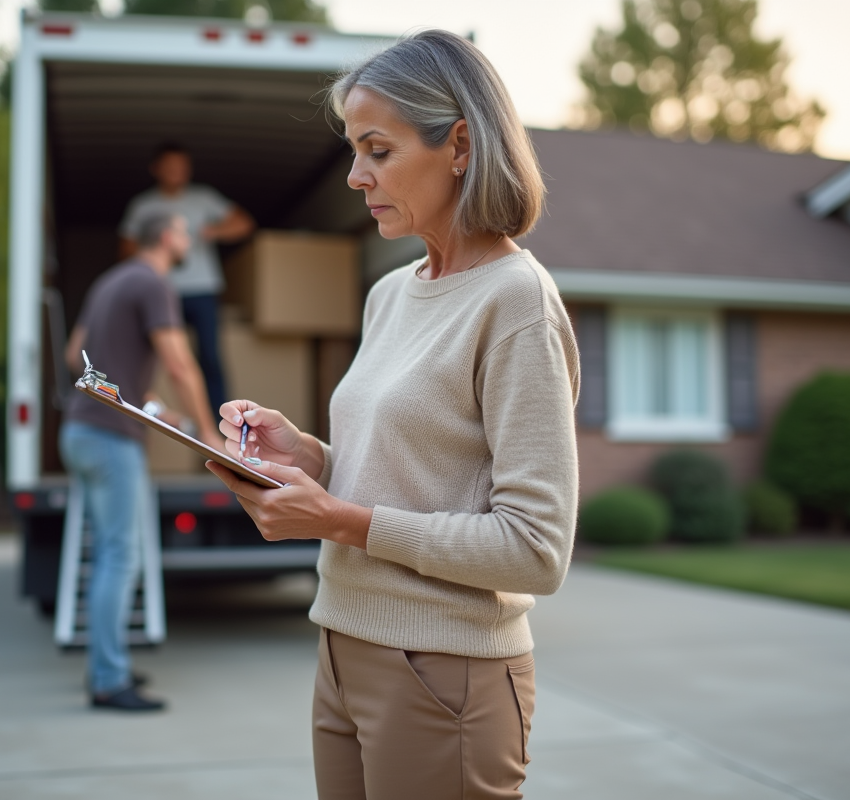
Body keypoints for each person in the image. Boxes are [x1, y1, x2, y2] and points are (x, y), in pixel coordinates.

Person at [205, 29, 579, 799]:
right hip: (342, 645)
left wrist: (339, 519)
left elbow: (536, 550)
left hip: (445, 675)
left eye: (378, 149)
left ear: (462, 145)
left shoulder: (517, 303)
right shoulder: (390, 292)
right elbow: (405, 474)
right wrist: (307, 457)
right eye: (354, 149)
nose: (354, 175)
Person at [62, 212, 219, 712]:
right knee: (118, 556)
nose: (188, 235)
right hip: (110, 439)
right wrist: (209, 431)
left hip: (80, 431)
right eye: (182, 227)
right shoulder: (154, 282)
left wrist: (145, 402)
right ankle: (109, 681)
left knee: (109, 554)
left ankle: (108, 667)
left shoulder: (110, 281)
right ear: (165, 237)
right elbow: (179, 362)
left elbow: (75, 356)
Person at [119, 142, 255, 414]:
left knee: (210, 357)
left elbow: (244, 223)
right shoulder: (143, 206)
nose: (177, 172)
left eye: (182, 167)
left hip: (203, 290)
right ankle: (153, 412)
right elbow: (126, 248)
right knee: (158, 358)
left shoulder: (203, 198)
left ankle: (221, 420)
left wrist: (213, 231)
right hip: (161, 289)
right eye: (170, 167)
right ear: (156, 169)